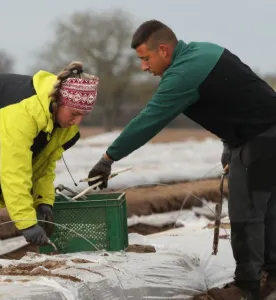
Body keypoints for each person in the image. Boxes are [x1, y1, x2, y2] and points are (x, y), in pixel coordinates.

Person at [87, 20, 276, 300]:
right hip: (263, 134)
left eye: (145, 58)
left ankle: (246, 289)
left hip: (259, 141)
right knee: (269, 210)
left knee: (246, 215)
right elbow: (238, 98)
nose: (144, 67)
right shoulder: (205, 51)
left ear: (163, 50)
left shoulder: (182, 76)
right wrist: (229, 143)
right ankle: (271, 277)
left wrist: (108, 157)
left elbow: (149, 120)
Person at [0, 61, 99, 266]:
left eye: (83, 116)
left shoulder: (62, 125)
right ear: (58, 102)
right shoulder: (23, 111)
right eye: (74, 113)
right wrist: (26, 223)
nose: (76, 122)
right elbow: (15, 170)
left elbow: (43, 167)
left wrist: (43, 201)